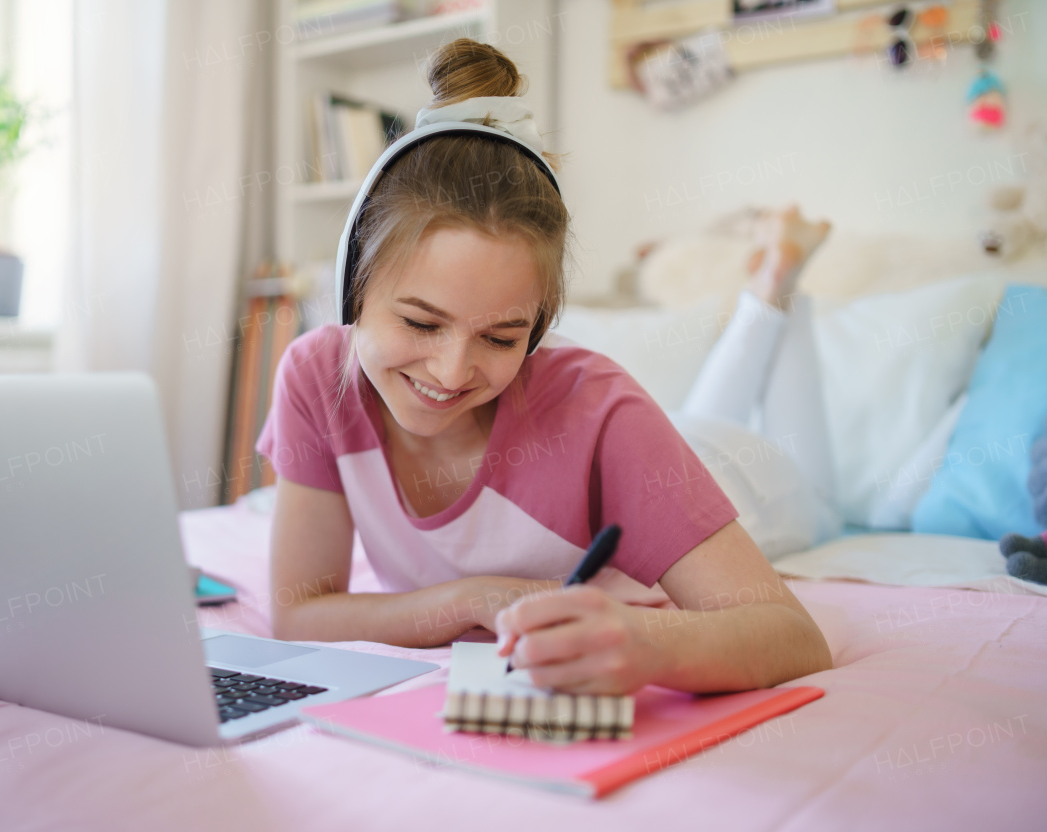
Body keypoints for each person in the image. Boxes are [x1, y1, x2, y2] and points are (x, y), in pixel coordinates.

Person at [256, 38, 833, 695]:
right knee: (694, 415)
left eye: (501, 337)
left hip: (753, 480)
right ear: (350, 289)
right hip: (665, 442)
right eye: (421, 323)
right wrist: (473, 598)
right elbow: (301, 611)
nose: (449, 373)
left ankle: (779, 282)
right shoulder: (314, 375)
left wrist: (650, 644)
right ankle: (775, 274)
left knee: (792, 472)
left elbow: (794, 637)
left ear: (538, 330)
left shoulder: (601, 409)